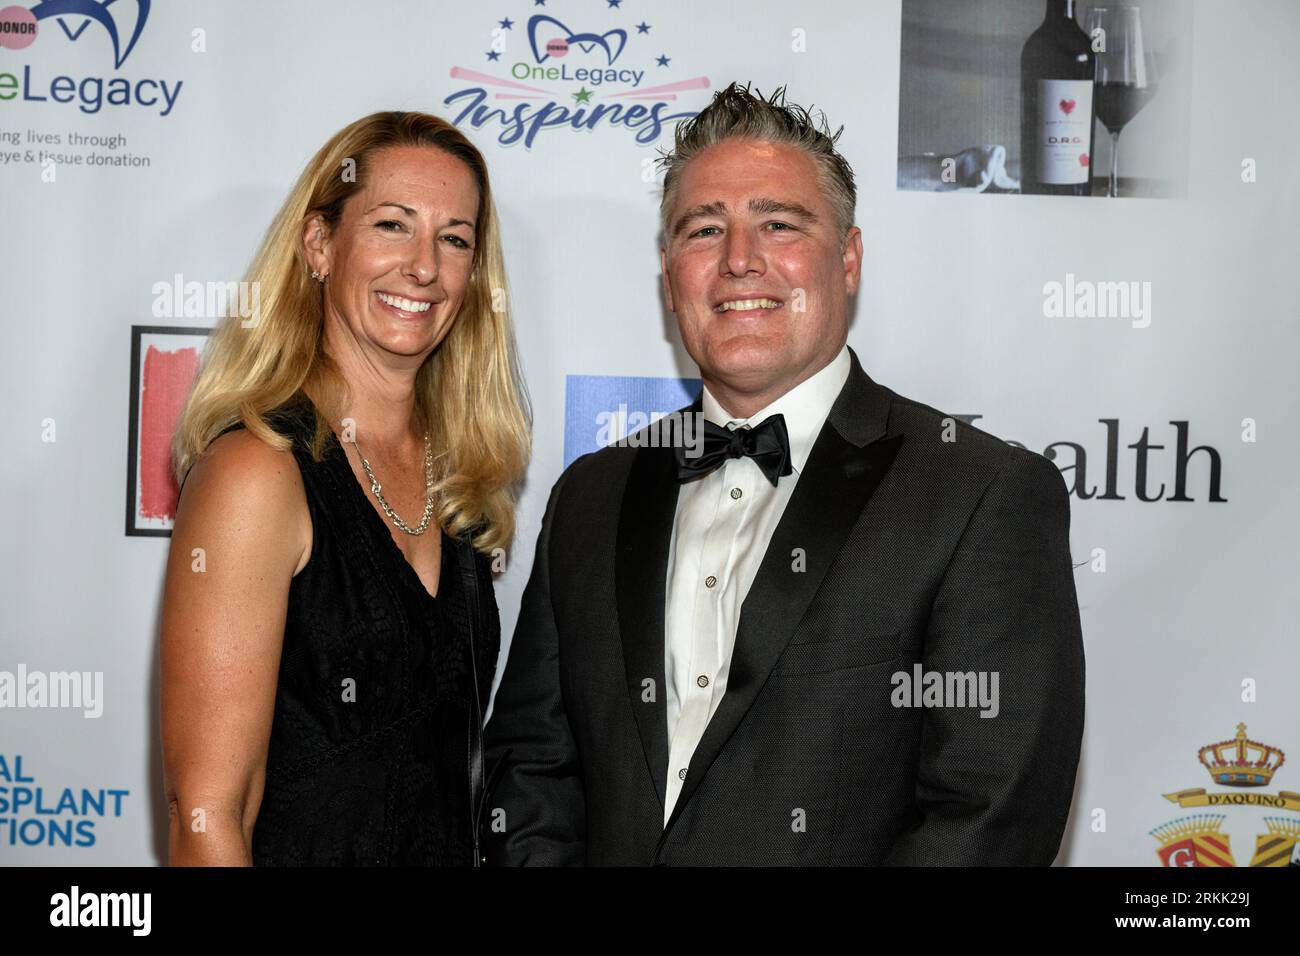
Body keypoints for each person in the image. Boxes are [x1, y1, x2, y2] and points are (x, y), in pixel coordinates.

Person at [482, 84, 1085, 865]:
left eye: (779, 223)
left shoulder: (981, 495)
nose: (739, 260)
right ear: (670, 275)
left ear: (849, 257)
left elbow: (988, 819)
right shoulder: (590, 497)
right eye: (705, 230)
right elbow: (530, 771)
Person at [160, 111, 530, 866]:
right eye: (393, 225)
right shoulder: (254, 473)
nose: (424, 266)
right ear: (320, 244)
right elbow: (207, 814)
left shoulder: (458, 479)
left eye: (455, 238)